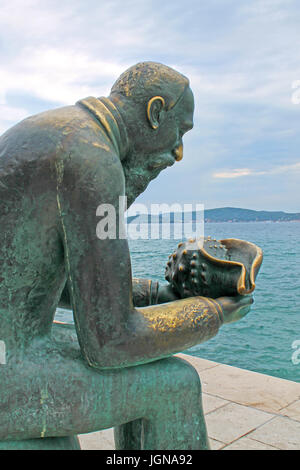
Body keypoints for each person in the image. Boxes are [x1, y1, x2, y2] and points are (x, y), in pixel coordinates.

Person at [0, 62, 252, 449]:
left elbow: (41, 286)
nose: (179, 152)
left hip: (13, 351)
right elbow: (111, 341)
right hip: (13, 365)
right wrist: (213, 312)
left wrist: (156, 297)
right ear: (155, 113)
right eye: (180, 132)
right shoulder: (93, 159)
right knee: (175, 384)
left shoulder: (54, 132)